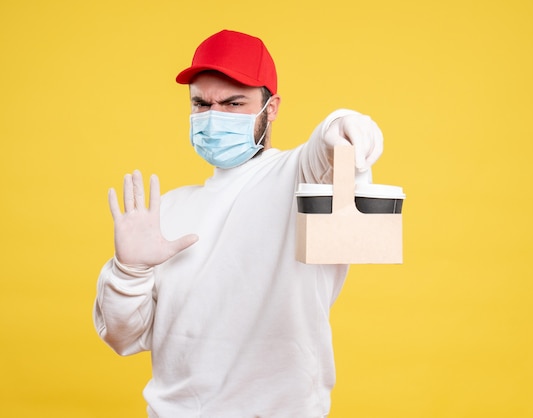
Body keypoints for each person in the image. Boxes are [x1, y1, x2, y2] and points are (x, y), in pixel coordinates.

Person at [93, 29, 384, 418]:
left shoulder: (297, 176)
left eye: (233, 103)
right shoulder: (167, 211)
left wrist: (345, 126)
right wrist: (129, 271)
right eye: (201, 104)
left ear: (272, 107)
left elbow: (324, 148)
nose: (215, 117)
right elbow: (123, 337)